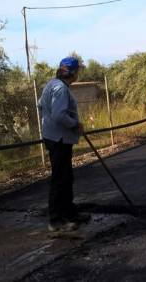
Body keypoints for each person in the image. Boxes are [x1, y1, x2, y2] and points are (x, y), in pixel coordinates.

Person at [39, 56, 89, 232]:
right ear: (72, 72)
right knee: (60, 179)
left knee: (66, 177)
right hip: (58, 139)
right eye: (78, 71)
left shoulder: (51, 85)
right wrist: (75, 124)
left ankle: (69, 213)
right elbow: (59, 115)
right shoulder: (60, 89)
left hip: (56, 137)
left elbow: (42, 106)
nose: (78, 74)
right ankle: (56, 220)